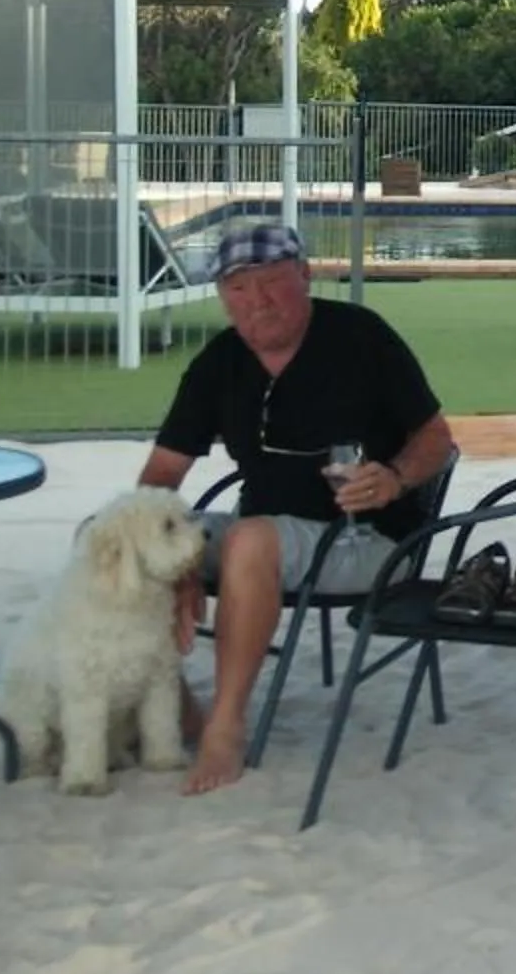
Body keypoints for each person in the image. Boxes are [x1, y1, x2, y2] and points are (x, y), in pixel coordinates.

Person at [138, 221, 457, 794]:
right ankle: (180, 707)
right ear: (221, 296)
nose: (257, 300)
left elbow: (436, 439)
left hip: (370, 541)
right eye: (238, 288)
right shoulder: (220, 362)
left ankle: (226, 728)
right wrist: (178, 563)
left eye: (272, 282)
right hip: (257, 532)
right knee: (111, 537)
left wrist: (393, 478)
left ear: (305, 275)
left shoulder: (362, 338)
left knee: (249, 540)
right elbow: (161, 475)